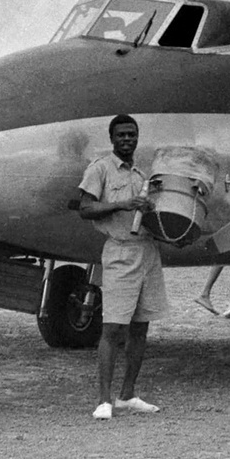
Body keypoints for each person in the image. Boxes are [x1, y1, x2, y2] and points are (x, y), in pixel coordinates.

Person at [77, 114, 166, 419]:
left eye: (132, 135)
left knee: (141, 327)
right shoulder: (100, 169)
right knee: (113, 328)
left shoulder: (143, 175)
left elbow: (149, 216)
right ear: (112, 138)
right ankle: (104, 400)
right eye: (122, 135)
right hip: (119, 252)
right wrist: (121, 204)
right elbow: (84, 208)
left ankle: (127, 394)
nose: (127, 139)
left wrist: (151, 209)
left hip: (147, 252)